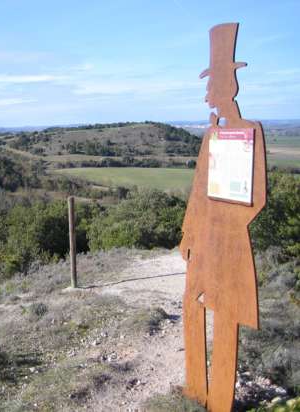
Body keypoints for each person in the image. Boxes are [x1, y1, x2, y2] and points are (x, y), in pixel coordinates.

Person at [180, 23, 267, 412]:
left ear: (228, 89)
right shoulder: (210, 137)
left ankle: (219, 400)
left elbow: (256, 200)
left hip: (228, 244)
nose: (207, 97)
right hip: (203, 242)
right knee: (192, 306)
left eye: (212, 88)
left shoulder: (250, 132)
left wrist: (223, 231)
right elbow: (198, 192)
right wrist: (188, 234)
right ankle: (196, 387)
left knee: (226, 316)